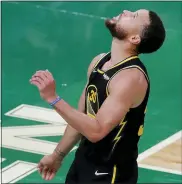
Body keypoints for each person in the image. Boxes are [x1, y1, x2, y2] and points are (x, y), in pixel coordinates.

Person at [30, 9, 166, 184]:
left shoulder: (131, 78)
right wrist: (57, 155)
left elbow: (96, 131)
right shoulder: (99, 61)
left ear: (134, 39)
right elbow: (80, 118)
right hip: (83, 162)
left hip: (110, 173)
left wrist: (53, 99)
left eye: (133, 16)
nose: (125, 11)